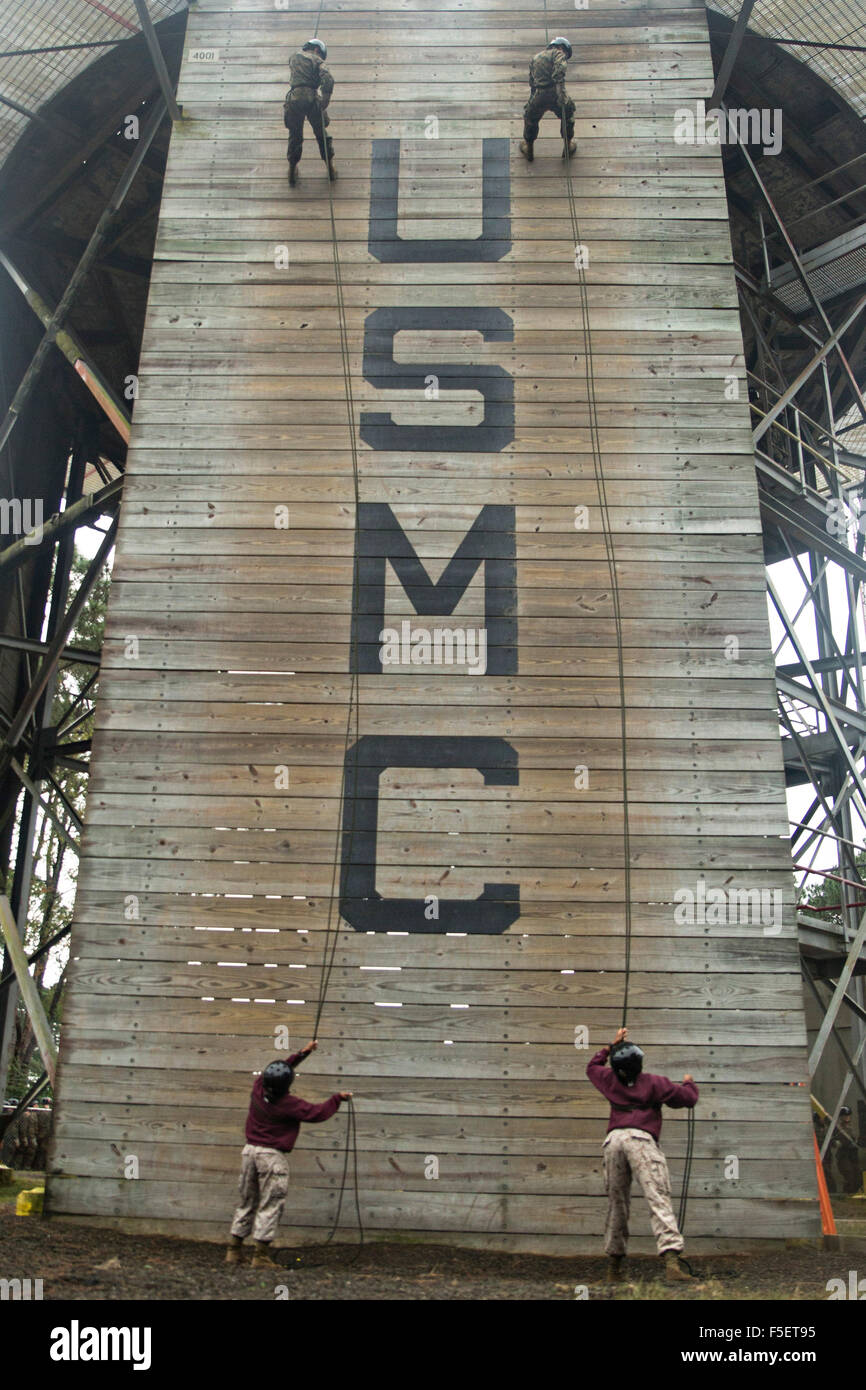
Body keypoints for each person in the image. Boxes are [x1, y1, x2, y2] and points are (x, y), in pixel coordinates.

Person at [587, 1026, 698, 1283]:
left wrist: (610, 1046)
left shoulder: (608, 1081)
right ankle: (672, 1264)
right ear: (639, 1063)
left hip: (613, 1142)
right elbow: (688, 1098)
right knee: (658, 1198)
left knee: (617, 1203)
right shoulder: (654, 1083)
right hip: (641, 1141)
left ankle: (614, 1269)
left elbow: (592, 1067)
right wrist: (689, 1082)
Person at [226, 1039, 351, 1267]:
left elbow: (280, 1069)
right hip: (270, 1158)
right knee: (270, 1204)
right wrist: (337, 1099)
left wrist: (302, 1054)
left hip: (249, 1153)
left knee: (247, 1202)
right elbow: (317, 1113)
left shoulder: (258, 1088)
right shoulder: (289, 1104)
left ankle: (234, 1251)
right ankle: (260, 1256)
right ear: (287, 1085)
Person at [284, 38, 336, 187]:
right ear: (317, 50)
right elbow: (328, 78)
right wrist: (325, 100)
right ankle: (330, 169)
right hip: (311, 97)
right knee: (321, 133)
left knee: (295, 135)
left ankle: (292, 171)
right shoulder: (317, 60)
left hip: (293, 98)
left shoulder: (293, 57)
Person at [520, 36, 576, 162]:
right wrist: (561, 93)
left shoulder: (536, 57)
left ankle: (529, 149)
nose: (565, 56)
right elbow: (559, 71)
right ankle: (567, 147)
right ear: (561, 47)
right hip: (555, 93)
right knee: (568, 116)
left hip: (539, 93)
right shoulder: (558, 53)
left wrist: (532, 101)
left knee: (530, 118)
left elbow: (532, 82)